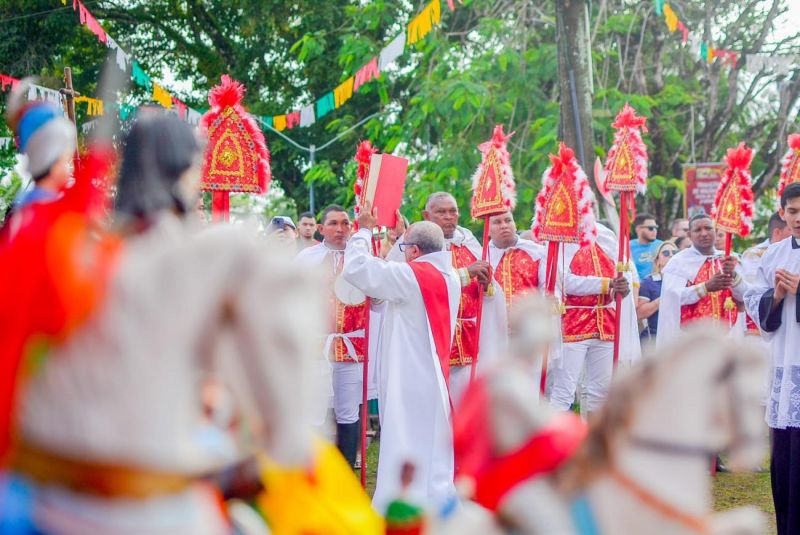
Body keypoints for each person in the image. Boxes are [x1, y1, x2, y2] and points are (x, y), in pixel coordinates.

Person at [0, 110, 323, 534]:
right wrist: (288, 446)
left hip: (37, 489)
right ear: (188, 169)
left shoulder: (71, 245)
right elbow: (280, 360)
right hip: (141, 504)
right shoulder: (211, 254)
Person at [342, 203, 460, 513]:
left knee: (405, 441)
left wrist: (364, 230)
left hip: (408, 376)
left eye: (406, 248)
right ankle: (434, 503)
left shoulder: (413, 277)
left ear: (416, 251)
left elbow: (357, 269)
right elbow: (389, 281)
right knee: (432, 444)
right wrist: (397, 239)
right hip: (431, 374)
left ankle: (400, 505)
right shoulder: (446, 274)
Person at [388, 192, 501, 404]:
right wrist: (466, 273)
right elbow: (410, 284)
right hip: (428, 339)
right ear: (426, 215)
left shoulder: (467, 240)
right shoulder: (412, 241)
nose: (448, 217)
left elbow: (489, 289)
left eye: (453, 211)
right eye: (441, 212)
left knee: (465, 405)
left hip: (467, 341)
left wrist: (487, 284)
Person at [744, 182, 800, 535]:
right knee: (787, 466)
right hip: (787, 369)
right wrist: (777, 297)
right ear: (782, 213)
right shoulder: (773, 256)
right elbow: (758, 308)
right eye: (793, 211)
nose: (799, 218)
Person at [294, 205, 368, 469]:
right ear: (321, 228)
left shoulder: (361, 257)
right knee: (315, 409)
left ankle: (346, 472)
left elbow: (377, 297)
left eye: (346, 223)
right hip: (316, 345)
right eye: (334, 223)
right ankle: (316, 471)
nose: (340, 229)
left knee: (348, 410)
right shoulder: (306, 258)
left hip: (351, 345)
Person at [549, 223, 638, 415]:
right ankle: (555, 440)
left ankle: (593, 441)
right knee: (564, 391)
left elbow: (621, 276)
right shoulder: (560, 238)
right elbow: (564, 282)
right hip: (573, 323)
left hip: (606, 322)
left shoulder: (605, 237)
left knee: (601, 392)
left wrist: (622, 287)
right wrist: (607, 284)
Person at [1, 78, 77, 238]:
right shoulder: (32, 212)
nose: (69, 166)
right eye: (65, 159)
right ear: (53, 160)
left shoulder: (23, 208)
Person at [656, 214, 746, 348]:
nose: (704, 233)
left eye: (708, 228)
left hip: (727, 335)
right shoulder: (679, 262)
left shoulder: (729, 259)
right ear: (689, 234)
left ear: (715, 231)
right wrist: (705, 287)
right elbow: (673, 297)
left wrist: (733, 274)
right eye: (698, 230)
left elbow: (745, 295)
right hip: (691, 339)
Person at [487, 210, 545, 316]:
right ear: (487, 231)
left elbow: (546, 290)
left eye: (508, 220)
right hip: (494, 326)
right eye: (497, 222)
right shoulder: (482, 257)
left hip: (530, 324)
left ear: (515, 225)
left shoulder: (537, 252)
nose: (504, 226)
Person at [741, 212, 791, 336]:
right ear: (777, 232)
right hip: (762, 330)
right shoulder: (755, 254)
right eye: (789, 229)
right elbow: (752, 293)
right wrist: (775, 296)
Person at [637, 241, 678, 341]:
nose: (671, 255)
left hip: (678, 337)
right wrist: (663, 298)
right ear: (657, 261)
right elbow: (640, 313)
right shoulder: (648, 282)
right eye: (666, 253)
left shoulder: (686, 281)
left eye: (674, 252)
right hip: (654, 338)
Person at [630, 213, 663, 279]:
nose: (654, 231)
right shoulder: (628, 247)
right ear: (638, 229)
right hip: (637, 286)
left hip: (658, 286)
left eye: (656, 228)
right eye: (651, 228)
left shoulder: (662, 245)